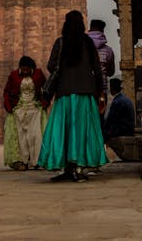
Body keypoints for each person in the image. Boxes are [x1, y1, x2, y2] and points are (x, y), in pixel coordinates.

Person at [38, 10, 108, 182]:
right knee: (82, 132)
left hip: (65, 93)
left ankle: (69, 169)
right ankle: (79, 167)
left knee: (65, 132)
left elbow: (51, 66)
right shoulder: (88, 43)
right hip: (85, 94)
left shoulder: (61, 42)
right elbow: (98, 70)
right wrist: (101, 92)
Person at [3, 55, 49, 171]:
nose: (25, 71)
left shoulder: (38, 74)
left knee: (35, 135)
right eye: (23, 69)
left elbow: (47, 88)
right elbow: (7, 91)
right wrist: (8, 106)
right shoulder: (14, 75)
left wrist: (44, 103)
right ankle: (22, 161)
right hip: (19, 109)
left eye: (27, 69)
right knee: (21, 137)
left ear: (31, 68)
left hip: (34, 108)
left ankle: (37, 161)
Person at [104, 78, 135, 158]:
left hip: (123, 132)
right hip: (129, 131)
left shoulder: (117, 102)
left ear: (111, 89)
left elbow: (110, 121)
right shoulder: (126, 99)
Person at [87, 19, 115, 109]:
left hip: (84, 91)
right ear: (102, 31)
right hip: (101, 92)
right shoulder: (108, 51)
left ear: (90, 29)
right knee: (100, 120)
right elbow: (111, 72)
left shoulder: (81, 47)